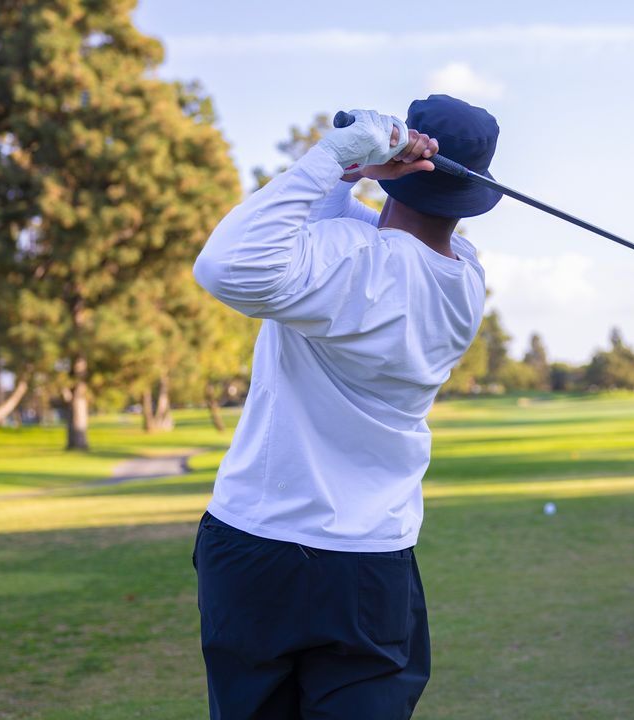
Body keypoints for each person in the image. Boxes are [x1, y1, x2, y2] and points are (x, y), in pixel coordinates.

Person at [190, 95, 501, 719]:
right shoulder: (466, 276)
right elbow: (361, 232)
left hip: (259, 548)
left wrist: (335, 157)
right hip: (371, 562)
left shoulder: (354, 262)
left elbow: (226, 264)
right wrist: (359, 177)